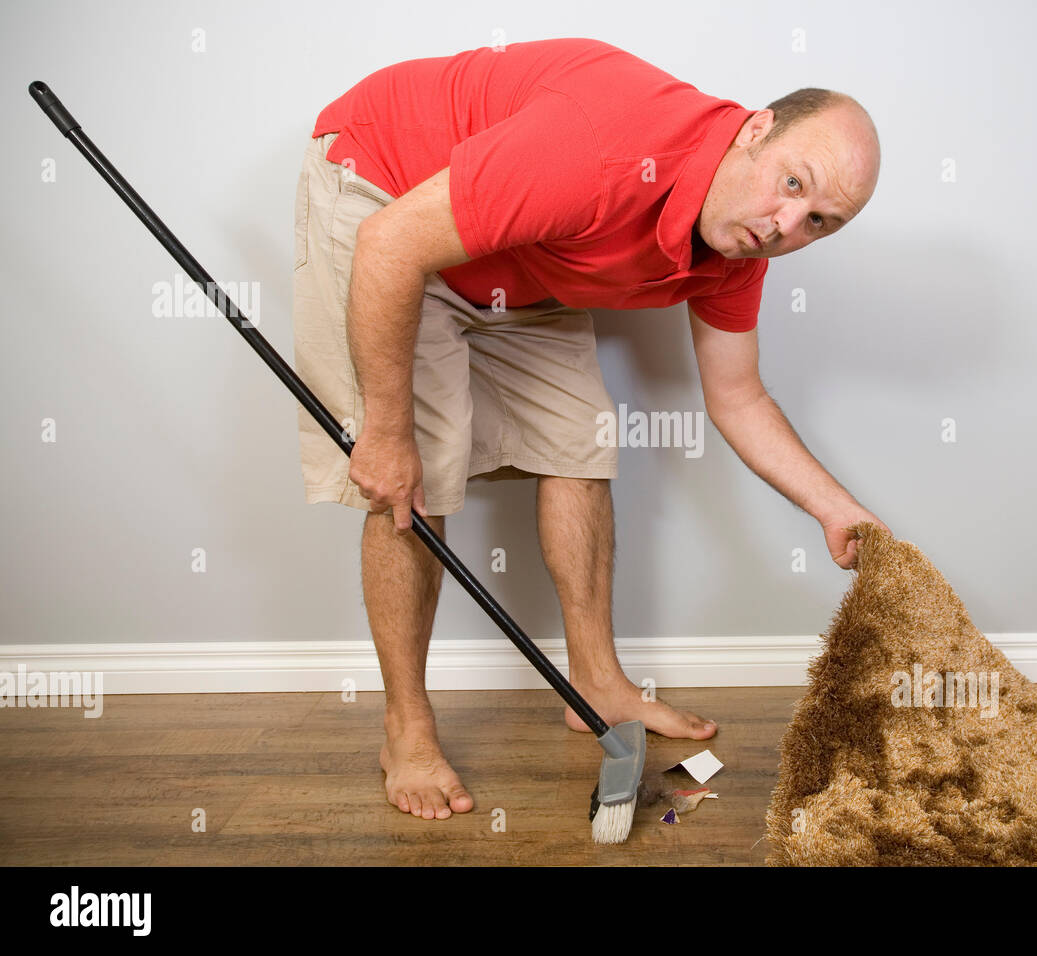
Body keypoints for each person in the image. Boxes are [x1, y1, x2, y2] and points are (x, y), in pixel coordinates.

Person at [291, 36, 891, 821]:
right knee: (416, 472)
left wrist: (835, 508)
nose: (784, 225)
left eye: (818, 220)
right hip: (387, 194)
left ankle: (596, 683)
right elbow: (391, 242)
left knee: (580, 436)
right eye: (791, 184)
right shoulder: (605, 148)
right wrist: (385, 432)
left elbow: (739, 398)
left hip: (516, 249)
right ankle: (406, 727)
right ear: (755, 129)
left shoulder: (742, 247)